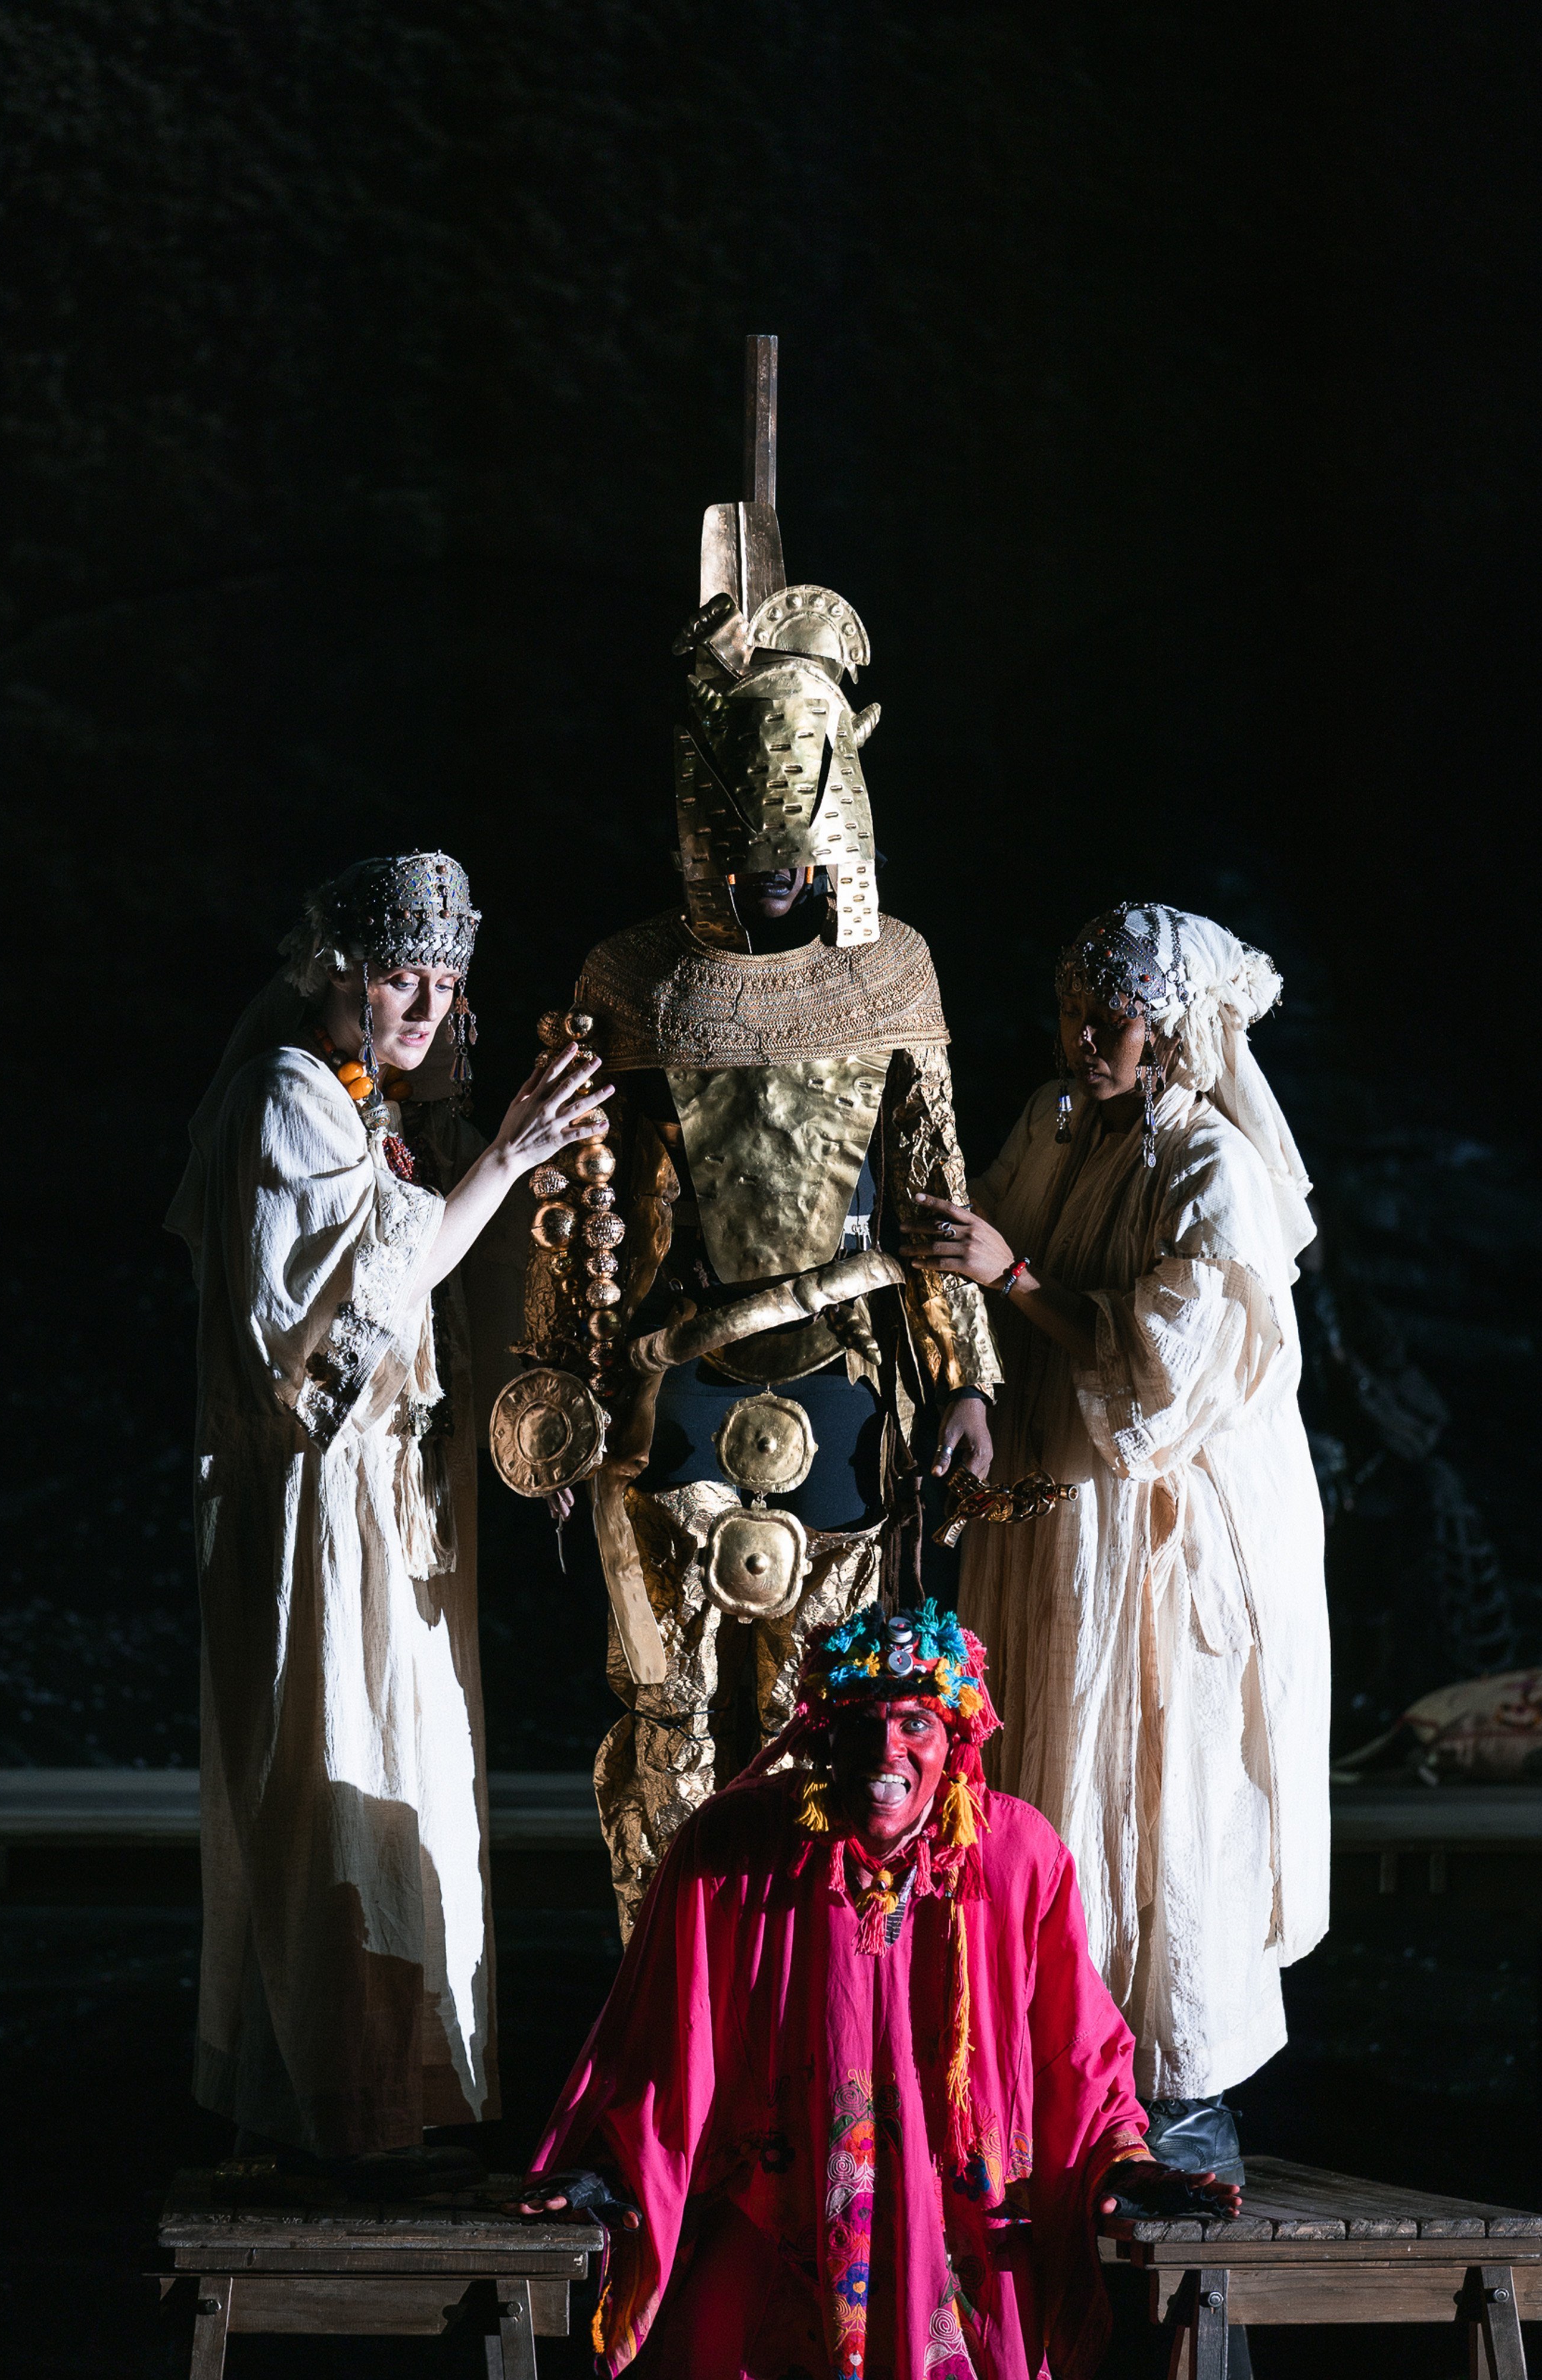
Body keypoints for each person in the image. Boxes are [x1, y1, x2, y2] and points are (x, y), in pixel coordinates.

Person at [512, 491, 1000, 1934]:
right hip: (677, 1389)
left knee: (846, 1726)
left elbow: (932, 1189)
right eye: (744, 859)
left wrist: (966, 1370)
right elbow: (582, 1197)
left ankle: (825, 2023)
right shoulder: (638, 980)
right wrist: (559, 1378)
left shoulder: (894, 977)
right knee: (670, 1718)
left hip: (849, 1388)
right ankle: (664, 2028)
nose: (767, 880)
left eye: (788, 857)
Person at [166, 851, 609, 2159]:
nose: (424, 1008)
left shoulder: (392, 1117)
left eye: (445, 982)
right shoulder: (291, 1098)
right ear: (339, 975)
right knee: (330, 1764)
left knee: (405, 1768)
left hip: (400, 1509)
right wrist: (500, 1162)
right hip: (317, 1507)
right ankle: (335, 2109)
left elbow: (454, 1288)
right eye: (400, 979)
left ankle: (390, 2104)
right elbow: (332, 1326)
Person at [515, 1600, 1239, 2378]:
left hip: (959, 2234)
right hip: (775, 2220)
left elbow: (1077, 2044)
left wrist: (1121, 2159)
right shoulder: (734, 1846)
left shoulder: (1019, 1855)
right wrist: (615, 2163)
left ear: (955, 1737)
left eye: (912, 1725)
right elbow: (660, 2033)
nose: (884, 1749)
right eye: (861, 1724)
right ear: (823, 1733)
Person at [906, 901, 1329, 2179]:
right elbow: (967, 1251)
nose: (1085, 1037)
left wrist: (1016, 1280)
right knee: (1040, 1760)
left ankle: (1173, 2085)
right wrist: (972, 1374)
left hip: (1153, 1534)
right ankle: (1035, 2067)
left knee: (1156, 1780)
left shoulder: (1215, 1171)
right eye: (1073, 1010)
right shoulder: (1054, 1123)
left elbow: (1162, 1376)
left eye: (1116, 1019)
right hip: (1048, 1512)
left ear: (1175, 1029)